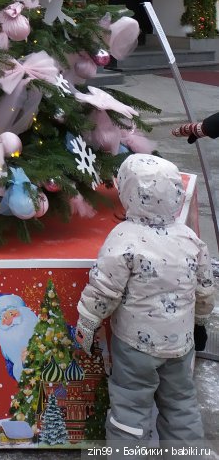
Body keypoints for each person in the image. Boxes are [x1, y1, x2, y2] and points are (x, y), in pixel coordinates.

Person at [74, 154, 214, 443]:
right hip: (179, 344)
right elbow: (204, 286)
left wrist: (87, 323)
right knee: (181, 406)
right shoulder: (189, 239)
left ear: (128, 193)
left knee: (129, 407)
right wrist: (200, 322)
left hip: (135, 347)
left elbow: (104, 288)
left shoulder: (123, 237)